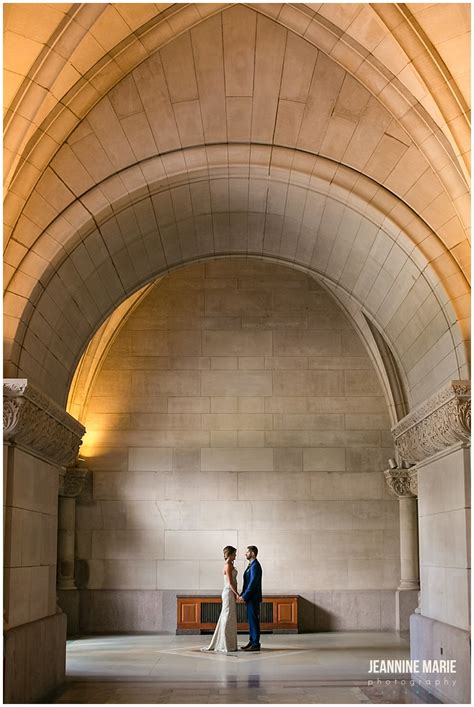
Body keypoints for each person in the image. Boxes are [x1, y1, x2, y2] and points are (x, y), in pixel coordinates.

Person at [201, 545, 239, 653]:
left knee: (229, 616)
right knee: (227, 617)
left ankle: (229, 643)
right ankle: (225, 643)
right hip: (228, 593)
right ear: (230, 554)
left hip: (230, 593)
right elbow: (231, 583)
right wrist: (237, 594)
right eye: (234, 554)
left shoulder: (230, 565)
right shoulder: (228, 565)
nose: (235, 556)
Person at [238, 546, 262, 651]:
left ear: (252, 553)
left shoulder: (255, 566)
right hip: (249, 598)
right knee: (251, 620)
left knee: (254, 620)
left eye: (247, 552)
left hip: (253, 598)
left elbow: (252, 584)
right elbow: (247, 583)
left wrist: (244, 596)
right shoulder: (250, 566)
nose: (245, 554)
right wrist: (241, 594)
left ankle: (256, 643)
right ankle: (252, 641)